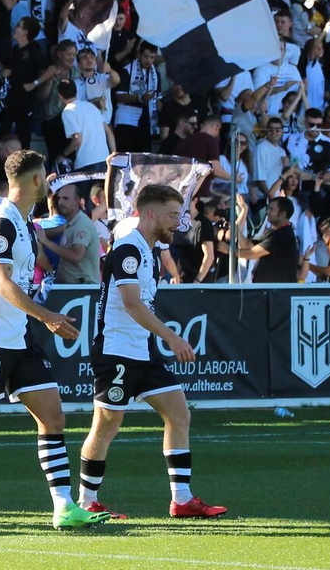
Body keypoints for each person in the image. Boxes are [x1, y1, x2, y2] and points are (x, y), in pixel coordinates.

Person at [0, 151, 107, 534]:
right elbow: (2, 283)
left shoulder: (26, 223)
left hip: (19, 336)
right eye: (44, 177)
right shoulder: (1, 221)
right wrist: (47, 317)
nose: (48, 186)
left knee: (53, 416)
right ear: (34, 180)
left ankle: (63, 506)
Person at [81, 183, 226, 520]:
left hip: (143, 351)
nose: (179, 222)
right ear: (150, 213)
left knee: (179, 412)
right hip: (117, 351)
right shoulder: (128, 250)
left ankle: (182, 499)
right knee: (106, 425)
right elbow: (132, 304)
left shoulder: (150, 251)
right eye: (173, 215)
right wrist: (172, 338)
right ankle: (86, 502)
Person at [233, 196, 301, 283]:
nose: (267, 212)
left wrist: (229, 251)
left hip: (276, 289)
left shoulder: (283, 234)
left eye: (271, 210)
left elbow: (253, 253)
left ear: (282, 214)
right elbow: (248, 245)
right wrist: (243, 213)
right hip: (269, 288)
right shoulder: (274, 232)